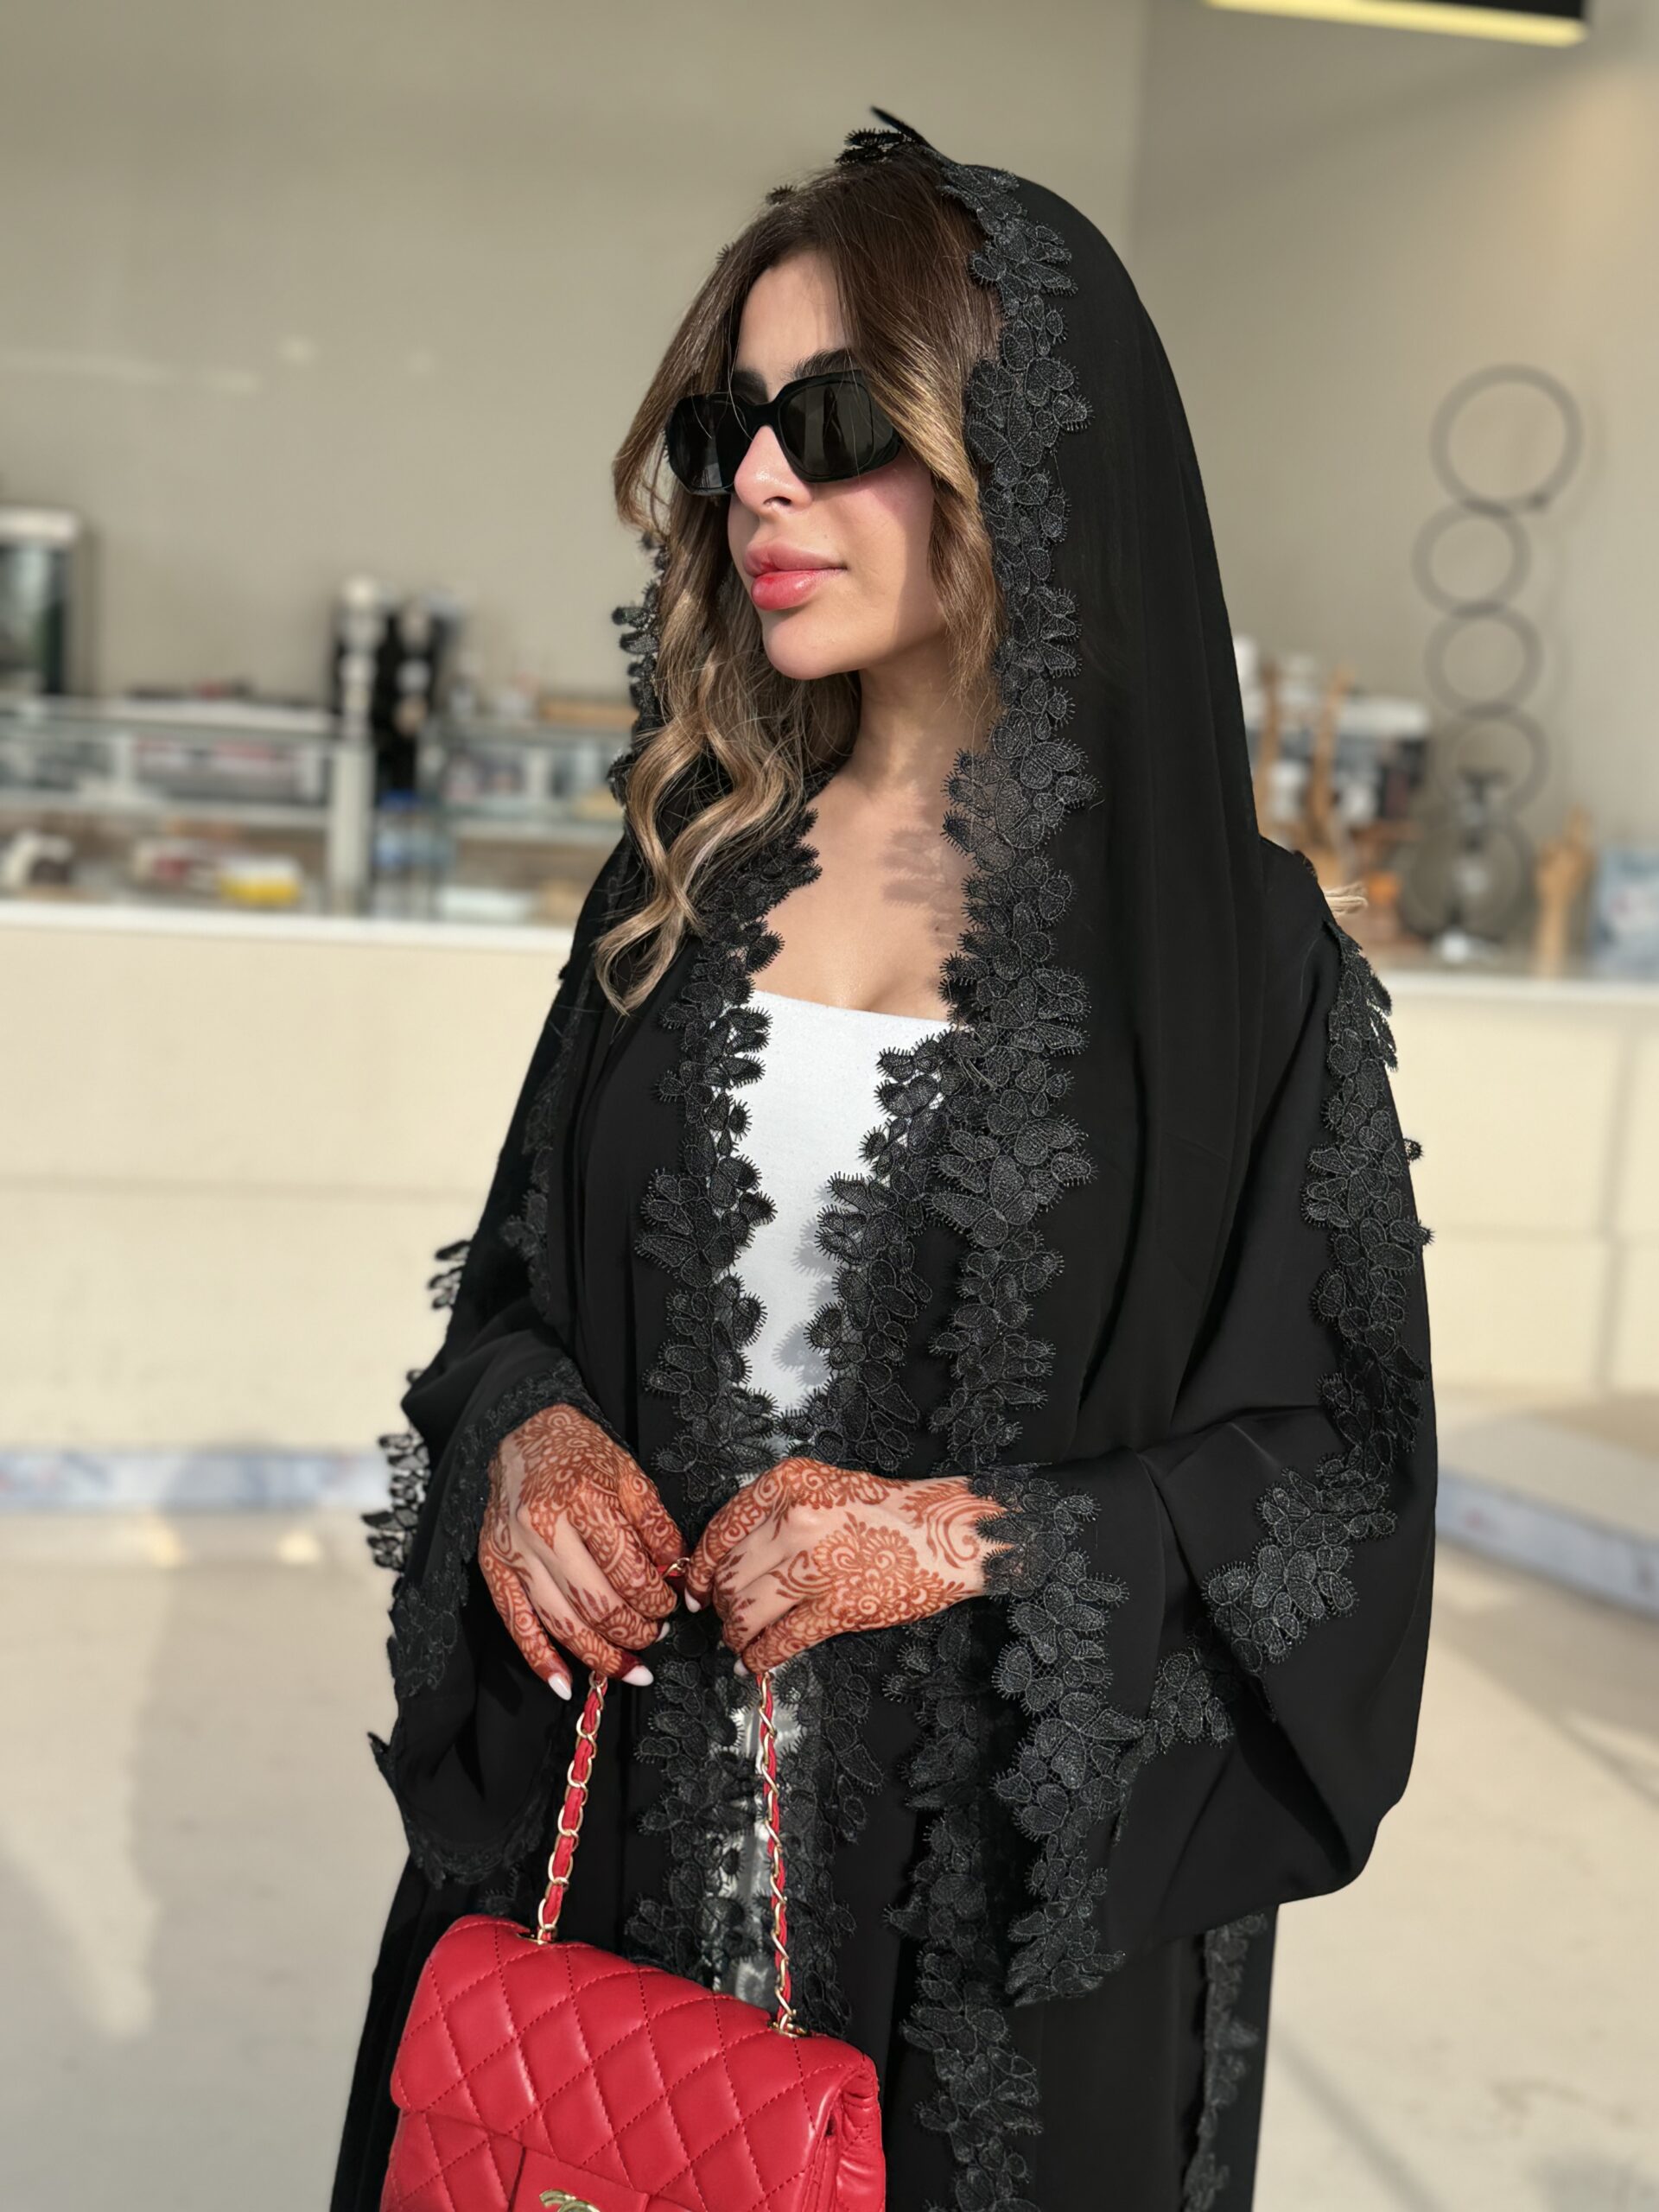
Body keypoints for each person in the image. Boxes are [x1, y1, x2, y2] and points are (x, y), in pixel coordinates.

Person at [331, 109, 1437, 2212]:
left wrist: (960, 1541)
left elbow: (1338, 1469)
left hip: (985, 1923)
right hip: (622, 1855)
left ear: (1015, 447)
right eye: (729, 425)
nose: (759, 477)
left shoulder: (1233, 966)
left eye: (831, 419)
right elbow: (513, 1298)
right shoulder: (681, 882)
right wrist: (528, 1441)